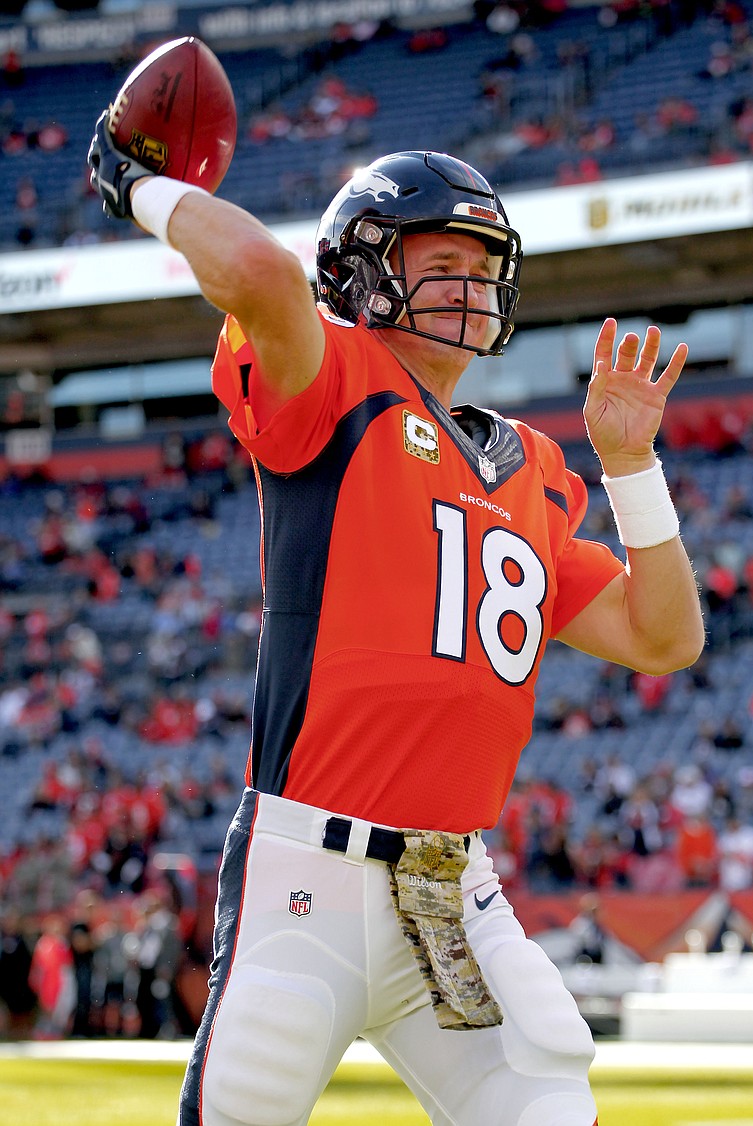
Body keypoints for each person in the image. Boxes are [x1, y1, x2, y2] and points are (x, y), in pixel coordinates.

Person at [88, 97, 704, 1126]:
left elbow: (663, 636)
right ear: (364, 270)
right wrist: (140, 183)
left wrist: (631, 467)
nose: (466, 285)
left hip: (452, 889)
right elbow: (262, 277)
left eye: (480, 266)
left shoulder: (535, 468)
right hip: (309, 877)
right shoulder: (334, 379)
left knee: (548, 1108)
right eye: (438, 262)